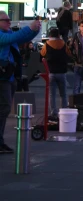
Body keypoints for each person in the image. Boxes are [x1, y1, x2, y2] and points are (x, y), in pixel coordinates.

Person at [0, 11, 41, 153]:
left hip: (8, 76)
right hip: (2, 78)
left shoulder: (8, 33)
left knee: (4, 109)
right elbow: (13, 38)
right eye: (6, 20)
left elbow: (21, 39)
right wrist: (30, 28)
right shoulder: (2, 35)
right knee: (3, 108)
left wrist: (35, 30)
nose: (9, 22)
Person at [40, 27, 72, 119]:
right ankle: (64, 111)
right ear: (58, 35)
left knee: (52, 94)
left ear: (50, 35)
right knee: (63, 94)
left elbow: (42, 54)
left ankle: (53, 112)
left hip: (51, 72)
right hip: (62, 72)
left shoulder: (47, 44)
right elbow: (69, 54)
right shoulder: (63, 44)